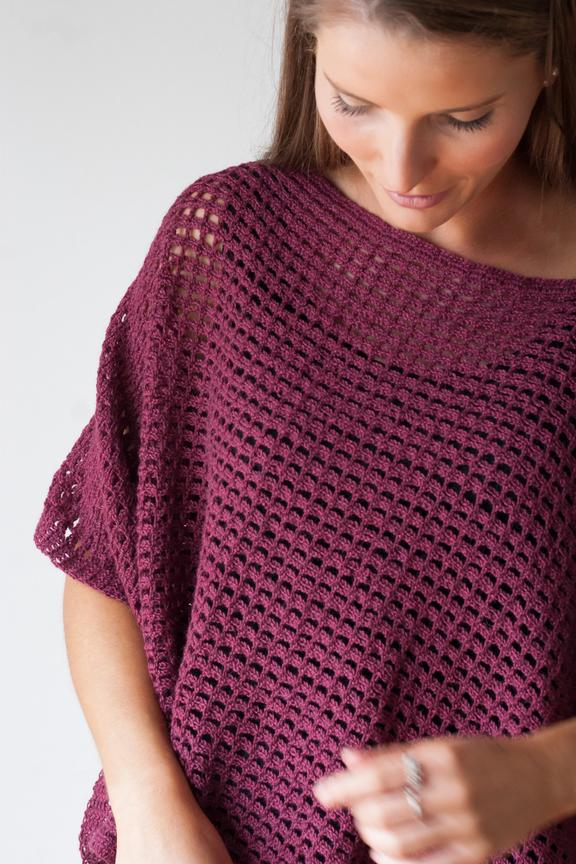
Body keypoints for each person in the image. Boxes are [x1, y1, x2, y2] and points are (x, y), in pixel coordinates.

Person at [33, 2, 576, 863]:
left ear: (550, 61)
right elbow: (105, 562)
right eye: (355, 103)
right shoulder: (234, 239)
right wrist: (145, 802)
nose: (403, 166)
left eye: (464, 118)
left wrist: (548, 775)